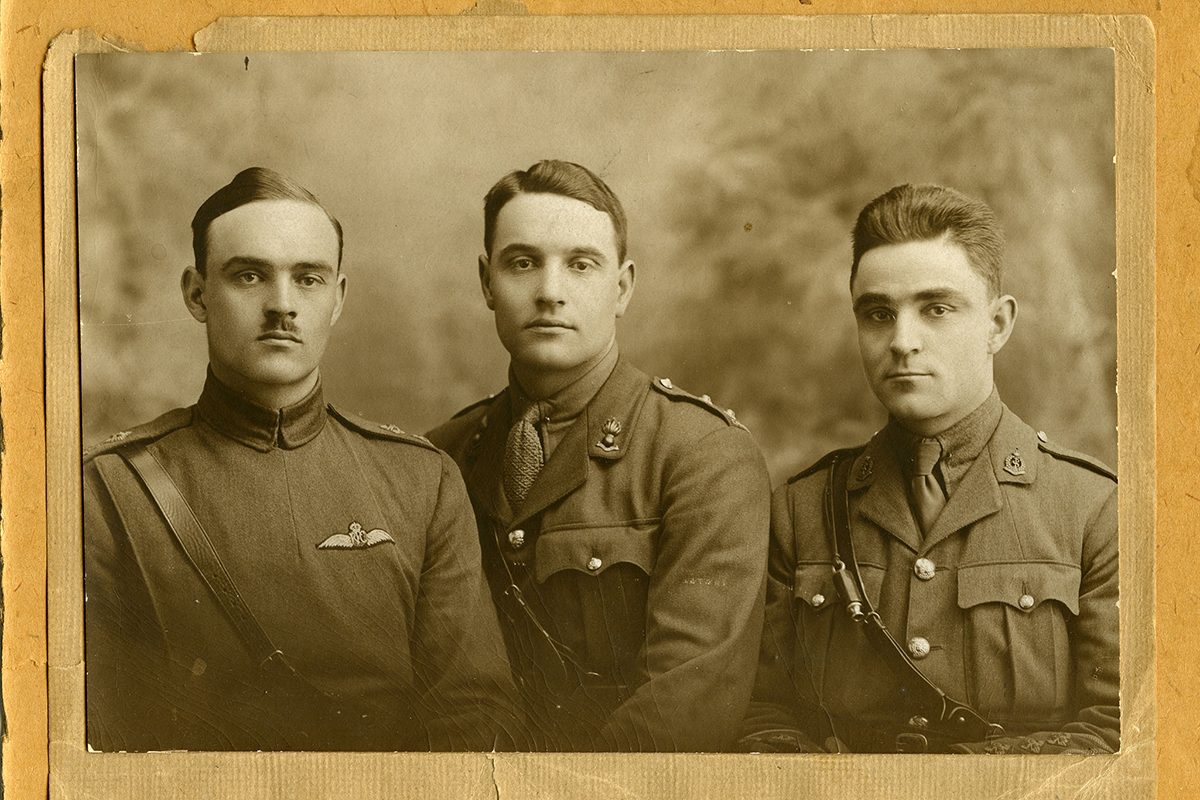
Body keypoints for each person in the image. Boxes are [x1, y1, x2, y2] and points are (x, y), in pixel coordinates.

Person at [83, 167, 518, 752]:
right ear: (196, 294)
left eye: (308, 279)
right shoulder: (108, 488)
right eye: (249, 276)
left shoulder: (420, 479)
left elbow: (475, 714)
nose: (282, 306)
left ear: (337, 298)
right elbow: (98, 734)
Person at [739, 183, 1118, 755]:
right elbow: (761, 717)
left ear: (997, 324)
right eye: (878, 313)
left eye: (937, 309)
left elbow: (1118, 734)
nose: (902, 341)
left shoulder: (1093, 509)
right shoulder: (801, 509)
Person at [427, 159, 771, 752]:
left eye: (581, 265)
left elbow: (687, 703)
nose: (549, 292)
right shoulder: (439, 459)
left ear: (623, 287)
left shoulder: (702, 453)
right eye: (522, 263)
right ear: (487, 282)